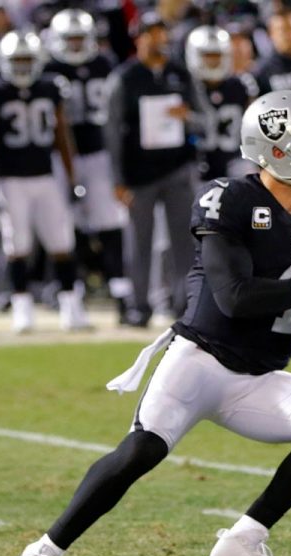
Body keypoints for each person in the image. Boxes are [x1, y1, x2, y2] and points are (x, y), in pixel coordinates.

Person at [1, 89, 291, 556]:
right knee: (140, 452)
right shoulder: (230, 198)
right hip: (200, 360)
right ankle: (44, 552)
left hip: (260, 376)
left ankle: (242, 542)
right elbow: (235, 298)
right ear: (276, 147)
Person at [0, 29, 89, 332]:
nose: (24, 66)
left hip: (45, 175)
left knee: (61, 241)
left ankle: (71, 307)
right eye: (18, 60)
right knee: (18, 244)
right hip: (11, 179)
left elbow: (62, 136)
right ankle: (22, 308)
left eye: (28, 59)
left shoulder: (51, 87)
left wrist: (71, 177)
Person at [105, 11, 207, 328]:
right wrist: (117, 179)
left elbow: (206, 120)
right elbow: (110, 131)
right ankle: (139, 307)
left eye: (161, 32)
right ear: (138, 37)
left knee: (184, 243)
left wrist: (186, 116)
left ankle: (183, 305)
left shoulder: (181, 73)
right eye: (150, 33)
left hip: (177, 169)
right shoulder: (124, 77)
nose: (158, 39)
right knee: (139, 243)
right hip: (139, 174)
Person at [45, 8, 132, 323]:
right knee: (65, 225)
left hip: (98, 152)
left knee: (110, 222)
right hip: (61, 155)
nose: (77, 44)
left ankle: (122, 292)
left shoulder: (103, 64)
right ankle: (73, 290)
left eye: (81, 37)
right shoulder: (49, 69)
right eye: (70, 38)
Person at [185, 24, 258, 180]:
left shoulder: (243, 85)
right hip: (196, 163)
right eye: (208, 55)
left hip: (236, 159)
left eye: (217, 55)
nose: (213, 60)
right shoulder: (186, 88)